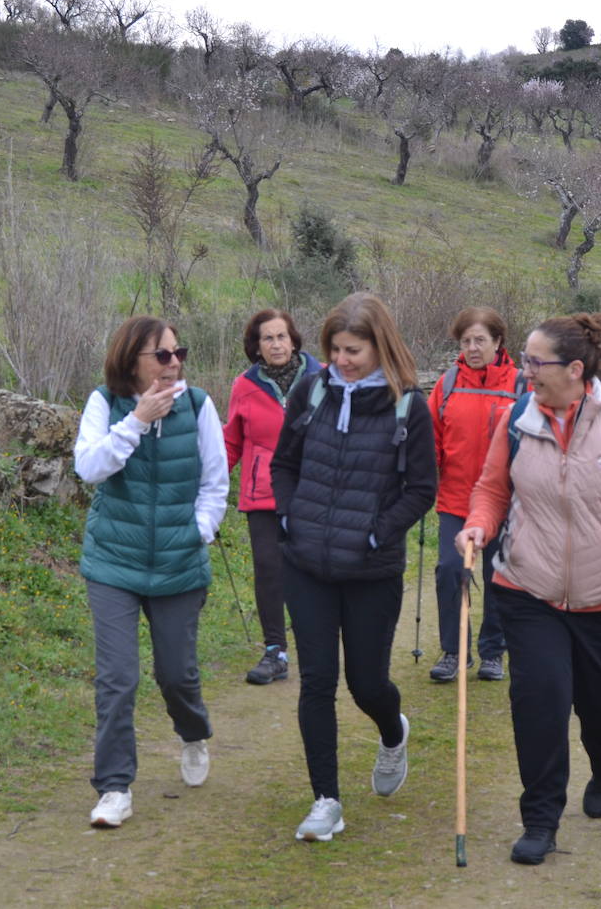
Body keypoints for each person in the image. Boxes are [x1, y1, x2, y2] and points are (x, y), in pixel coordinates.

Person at [455, 313, 601, 865]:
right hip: (527, 590)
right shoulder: (515, 421)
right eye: (525, 361)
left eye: (536, 362)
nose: (526, 372)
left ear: (575, 369)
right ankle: (541, 819)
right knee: (540, 705)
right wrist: (478, 523)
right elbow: (491, 489)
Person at [271, 292, 437, 843]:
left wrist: (375, 532)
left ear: (380, 346)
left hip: (371, 571)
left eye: (354, 350)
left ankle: (393, 731)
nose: (342, 360)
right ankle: (326, 801)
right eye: (336, 349)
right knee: (316, 681)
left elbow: (421, 491)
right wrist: (291, 517)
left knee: (366, 684)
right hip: (307, 564)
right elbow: (283, 464)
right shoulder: (310, 391)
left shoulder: (408, 406)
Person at [74, 315, 229, 829]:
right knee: (118, 679)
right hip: (113, 563)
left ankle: (193, 732)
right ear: (132, 360)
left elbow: (214, 483)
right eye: (161, 355)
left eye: (178, 352)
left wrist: (197, 532)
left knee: (176, 675)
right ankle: (114, 788)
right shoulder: (105, 403)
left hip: (178, 564)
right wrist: (137, 420)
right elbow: (89, 467)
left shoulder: (199, 405)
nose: (174, 362)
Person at [222, 309, 323, 685]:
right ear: (256, 347)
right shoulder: (243, 386)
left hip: (311, 490)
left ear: (294, 340)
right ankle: (275, 651)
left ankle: (316, 644)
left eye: (282, 337)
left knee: (310, 569)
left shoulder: (322, 378)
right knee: (268, 569)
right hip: (261, 493)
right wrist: (206, 486)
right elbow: (231, 442)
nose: (277, 344)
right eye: (268, 338)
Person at [427, 307, 520, 683]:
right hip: (455, 498)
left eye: (480, 340)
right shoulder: (448, 384)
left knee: (498, 574)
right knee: (450, 571)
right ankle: (454, 650)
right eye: (466, 341)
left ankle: (493, 651)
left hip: (506, 501)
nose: (472, 347)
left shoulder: (520, 384)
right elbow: (431, 436)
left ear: (498, 342)